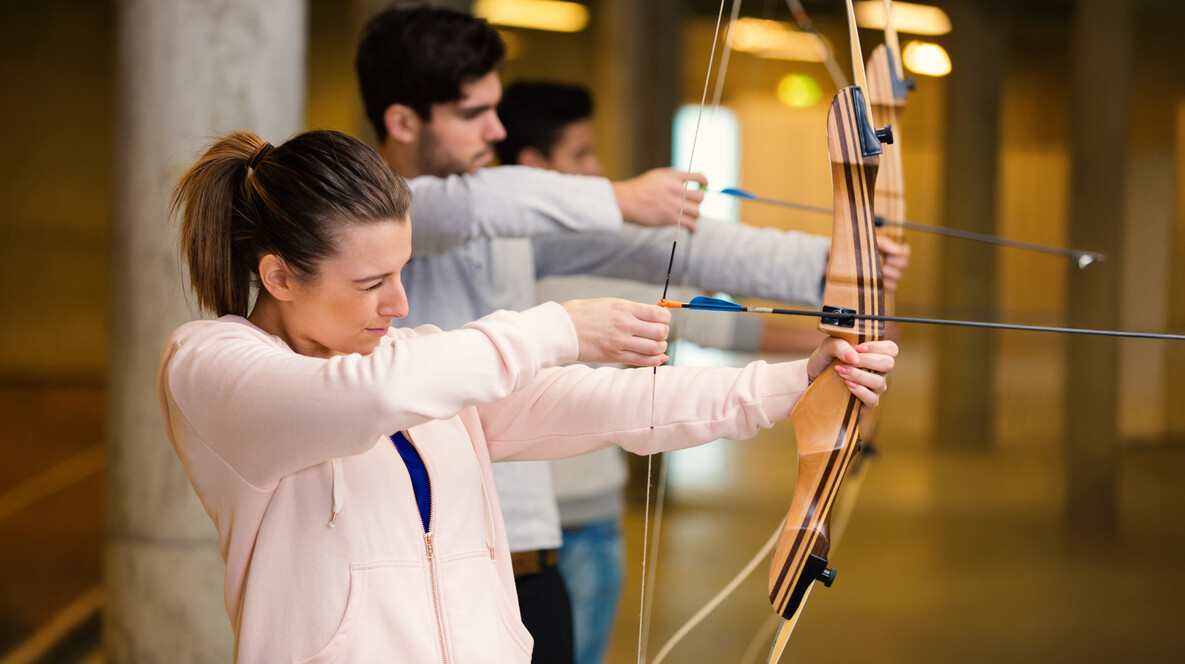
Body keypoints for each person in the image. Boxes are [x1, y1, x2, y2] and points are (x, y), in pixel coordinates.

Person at [158, 128, 897, 663]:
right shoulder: (213, 370)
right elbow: (362, 399)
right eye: (371, 284)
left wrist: (794, 382)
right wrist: (557, 327)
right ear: (280, 277)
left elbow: (608, 406)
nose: (400, 305)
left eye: (401, 273)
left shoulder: (411, 363)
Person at [355, 7, 910, 662]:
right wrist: (614, 196)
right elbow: (463, 207)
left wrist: (832, 260)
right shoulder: (370, 219)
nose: (496, 129)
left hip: (532, 557)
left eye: (495, 108)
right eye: (474, 113)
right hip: (418, 564)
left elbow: (671, 249)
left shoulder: (510, 223)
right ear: (401, 121)